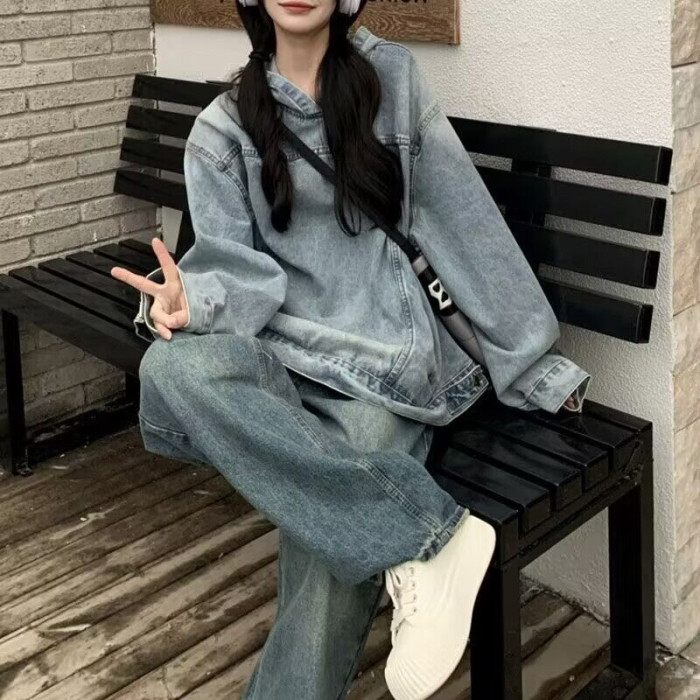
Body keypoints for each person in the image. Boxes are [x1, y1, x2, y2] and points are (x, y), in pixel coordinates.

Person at [110, 0, 591, 697]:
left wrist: (529, 362)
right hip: (282, 359)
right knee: (169, 365)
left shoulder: (392, 83)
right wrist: (191, 303)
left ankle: (395, 554)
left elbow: (462, 220)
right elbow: (235, 275)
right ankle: (431, 537)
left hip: (386, 363)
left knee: (340, 489)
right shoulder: (222, 129)